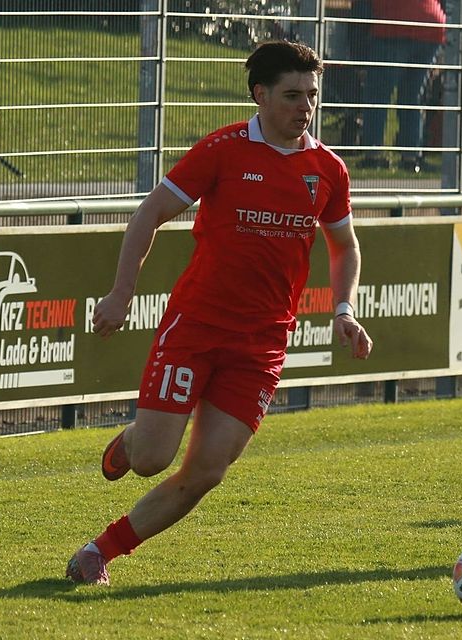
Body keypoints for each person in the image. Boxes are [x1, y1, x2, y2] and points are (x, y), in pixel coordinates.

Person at [66, 40, 373, 586]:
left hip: (263, 344)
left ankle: (100, 552)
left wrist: (344, 308)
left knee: (207, 470)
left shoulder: (328, 170)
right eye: (292, 95)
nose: (305, 107)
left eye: (312, 96)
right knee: (154, 460)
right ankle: (135, 439)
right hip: (197, 327)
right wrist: (120, 293)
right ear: (260, 95)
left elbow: (344, 245)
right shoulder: (222, 150)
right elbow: (149, 214)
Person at [358, 0, 446, 173]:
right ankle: (411, 157)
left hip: (393, 25)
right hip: (430, 23)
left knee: (378, 95)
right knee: (413, 97)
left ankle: (373, 155)